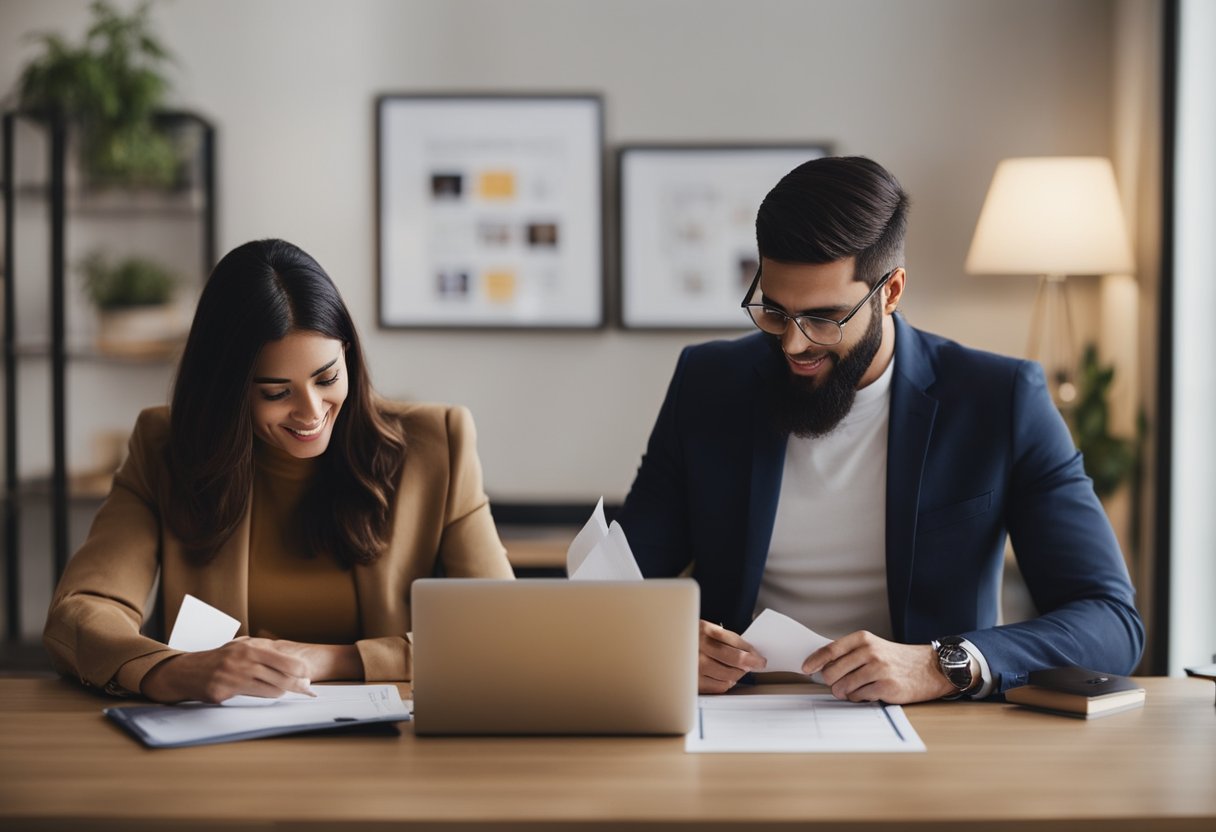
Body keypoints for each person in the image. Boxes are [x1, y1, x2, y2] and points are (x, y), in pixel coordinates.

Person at [617, 156, 1144, 704]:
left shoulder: (1001, 399)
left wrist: (942, 665)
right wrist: (663, 641)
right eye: (774, 312)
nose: (793, 345)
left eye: (823, 317)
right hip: (734, 717)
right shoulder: (707, 384)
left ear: (890, 292)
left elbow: (1110, 621)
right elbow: (621, 585)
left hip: (929, 725)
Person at [43, 239, 513, 703]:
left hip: (385, 752)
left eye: (327, 378)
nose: (310, 411)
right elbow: (79, 613)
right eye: (275, 392)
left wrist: (334, 660)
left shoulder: (437, 445)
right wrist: (171, 671)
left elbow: (502, 626)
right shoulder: (165, 447)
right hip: (223, 754)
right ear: (229, 391)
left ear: (347, 353)